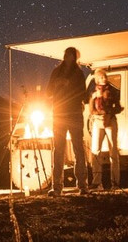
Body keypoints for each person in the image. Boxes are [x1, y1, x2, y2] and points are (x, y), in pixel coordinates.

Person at [45, 46, 90, 196]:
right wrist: (58, 84)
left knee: (78, 148)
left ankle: (82, 185)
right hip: (59, 114)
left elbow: (83, 94)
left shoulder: (78, 74)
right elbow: (48, 92)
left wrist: (70, 87)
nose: (69, 58)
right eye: (67, 55)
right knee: (58, 149)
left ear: (75, 57)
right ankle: (57, 187)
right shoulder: (56, 72)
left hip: (75, 113)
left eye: (71, 55)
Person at [86, 67, 122, 189]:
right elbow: (91, 110)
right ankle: (97, 182)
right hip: (97, 121)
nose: (104, 79)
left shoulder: (112, 90)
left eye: (105, 76)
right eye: (101, 77)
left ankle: (115, 182)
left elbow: (118, 107)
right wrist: (94, 98)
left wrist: (109, 112)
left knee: (113, 152)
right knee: (95, 151)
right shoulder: (93, 92)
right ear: (96, 80)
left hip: (110, 120)